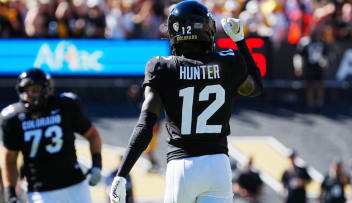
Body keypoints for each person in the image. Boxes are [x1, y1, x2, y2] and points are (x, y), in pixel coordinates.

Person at [109, 1, 263, 203]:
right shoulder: (228, 61)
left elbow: (146, 124)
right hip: (218, 165)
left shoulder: (161, 67)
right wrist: (240, 40)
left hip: (182, 165)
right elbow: (256, 88)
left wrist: (122, 173)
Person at [0, 68, 102, 203]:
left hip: (75, 185)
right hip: (40, 191)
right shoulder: (13, 118)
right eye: (27, 90)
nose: (31, 94)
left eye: (35, 89)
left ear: (46, 89)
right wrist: (10, 193)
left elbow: (92, 135)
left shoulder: (65, 106)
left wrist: (96, 165)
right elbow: (10, 160)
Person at [293, 27, 329, 111]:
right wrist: (298, 67)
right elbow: (298, 55)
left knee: (320, 85)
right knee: (310, 85)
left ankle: (320, 103)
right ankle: (310, 103)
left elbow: (325, 55)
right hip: (309, 67)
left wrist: (325, 63)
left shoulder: (322, 43)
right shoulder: (305, 43)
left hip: (319, 67)